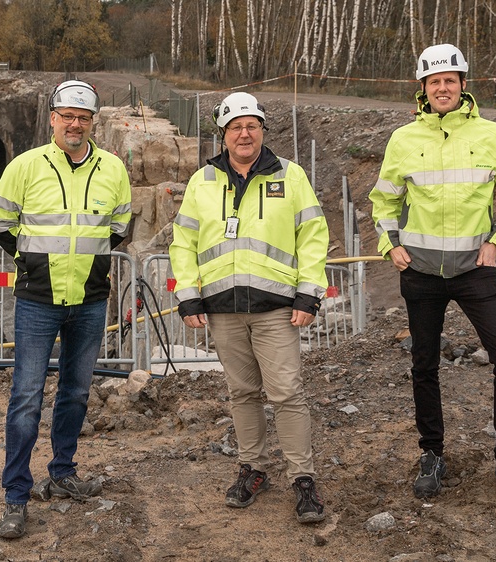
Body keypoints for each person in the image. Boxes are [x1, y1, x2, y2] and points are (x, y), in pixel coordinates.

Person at [369, 44, 496, 508]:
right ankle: (432, 454)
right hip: (420, 273)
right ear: (422, 89)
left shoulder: (494, 135)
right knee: (424, 365)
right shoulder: (403, 140)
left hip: (476, 272)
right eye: (434, 81)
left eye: (450, 80)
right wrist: (391, 245)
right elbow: (383, 202)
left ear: (463, 85)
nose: (442, 88)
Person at [169, 92, 330, 523]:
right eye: (236, 127)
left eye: (252, 125)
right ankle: (253, 469)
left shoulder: (290, 176)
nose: (244, 133)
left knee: (286, 393)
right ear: (223, 134)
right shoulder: (202, 181)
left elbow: (313, 236)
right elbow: (183, 242)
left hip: (277, 308)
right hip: (223, 309)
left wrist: (309, 293)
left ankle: (303, 478)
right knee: (242, 393)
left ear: (262, 130)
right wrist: (188, 295)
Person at [0, 79, 132, 539]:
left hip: (89, 300)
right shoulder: (26, 166)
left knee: (76, 392)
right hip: (37, 299)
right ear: (53, 119)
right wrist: (28, 260)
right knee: (26, 398)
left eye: (83, 118)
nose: (75, 124)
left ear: (93, 123)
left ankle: (63, 472)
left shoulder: (113, 169)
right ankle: (15, 494)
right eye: (67, 115)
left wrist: (87, 266)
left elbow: (119, 227)